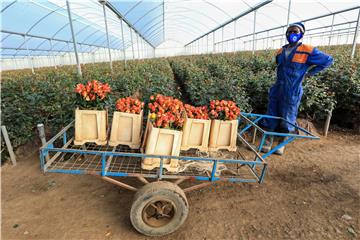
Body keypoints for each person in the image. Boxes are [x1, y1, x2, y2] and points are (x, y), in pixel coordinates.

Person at [261, 22, 333, 155]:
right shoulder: (281, 51)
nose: (292, 34)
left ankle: (281, 143)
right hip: (278, 87)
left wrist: (309, 73)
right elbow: (279, 66)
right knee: (271, 113)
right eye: (290, 31)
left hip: (292, 89)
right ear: (286, 34)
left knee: (287, 116)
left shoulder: (308, 50)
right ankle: (267, 141)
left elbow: (328, 60)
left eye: (296, 32)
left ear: (301, 34)